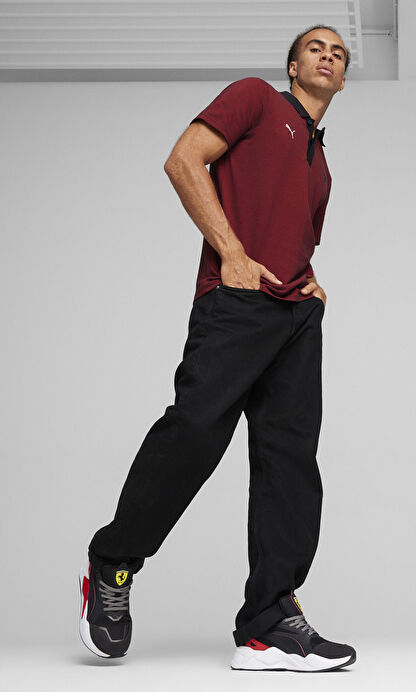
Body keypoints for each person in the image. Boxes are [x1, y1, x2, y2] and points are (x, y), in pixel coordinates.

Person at [79, 23, 357, 672]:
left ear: (342, 80)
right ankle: (113, 561)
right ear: (293, 67)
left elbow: (294, 236)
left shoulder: (321, 167)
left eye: (339, 53)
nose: (327, 55)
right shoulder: (254, 98)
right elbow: (183, 159)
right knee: (196, 433)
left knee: (290, 461)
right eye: (315, 47)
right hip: (236, 302)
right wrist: (231, 252)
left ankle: (268, 623)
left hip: (295, 318)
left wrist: (312, 286)